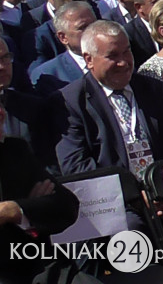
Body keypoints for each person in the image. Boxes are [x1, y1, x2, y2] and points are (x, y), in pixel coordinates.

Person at [57, 21, 163, 180]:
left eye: (126, 52)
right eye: (112, 56)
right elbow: (76, 166)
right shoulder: (71, 102)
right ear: (89, 59)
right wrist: (131, 191)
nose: (123, 63)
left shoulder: (154, 89)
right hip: (114, 197)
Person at [0, 43, 81, 282]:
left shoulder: (14, 150)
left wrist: (13, 209)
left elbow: (66, 206)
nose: (2, 114)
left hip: (38, 265)